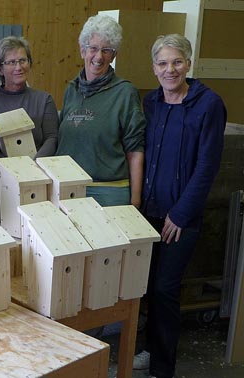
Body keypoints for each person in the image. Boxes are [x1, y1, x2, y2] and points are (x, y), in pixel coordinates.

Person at [133, 34, 226, 378]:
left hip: (179, 217)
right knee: (145, 288)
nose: (169, 69)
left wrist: (180, 213)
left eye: (177, 62)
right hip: (149, 212)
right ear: (154, 67)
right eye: (162, 63)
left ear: (189, 63)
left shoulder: (208, 104)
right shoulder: (151, 102)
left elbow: (207, 167)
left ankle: (163, 367)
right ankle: (149, 349)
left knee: (164, 288)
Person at [55, 14, 145, 207]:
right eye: (93, 48)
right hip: (69, 190)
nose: (99, 56)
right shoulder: (71, 89)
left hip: (109, 192)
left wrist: (135, 202)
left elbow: (135, 151)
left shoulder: (125, 93)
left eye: (106, 50)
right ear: (82, 51)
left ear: (114, 55)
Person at [0, 36, 58, 221]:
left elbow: (52, 138)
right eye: (11, 62)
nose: (18, 67)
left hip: (36, 178)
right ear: (0, 69)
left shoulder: (44, 99)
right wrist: (10, 168)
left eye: (22, 60)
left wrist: (31, 168)